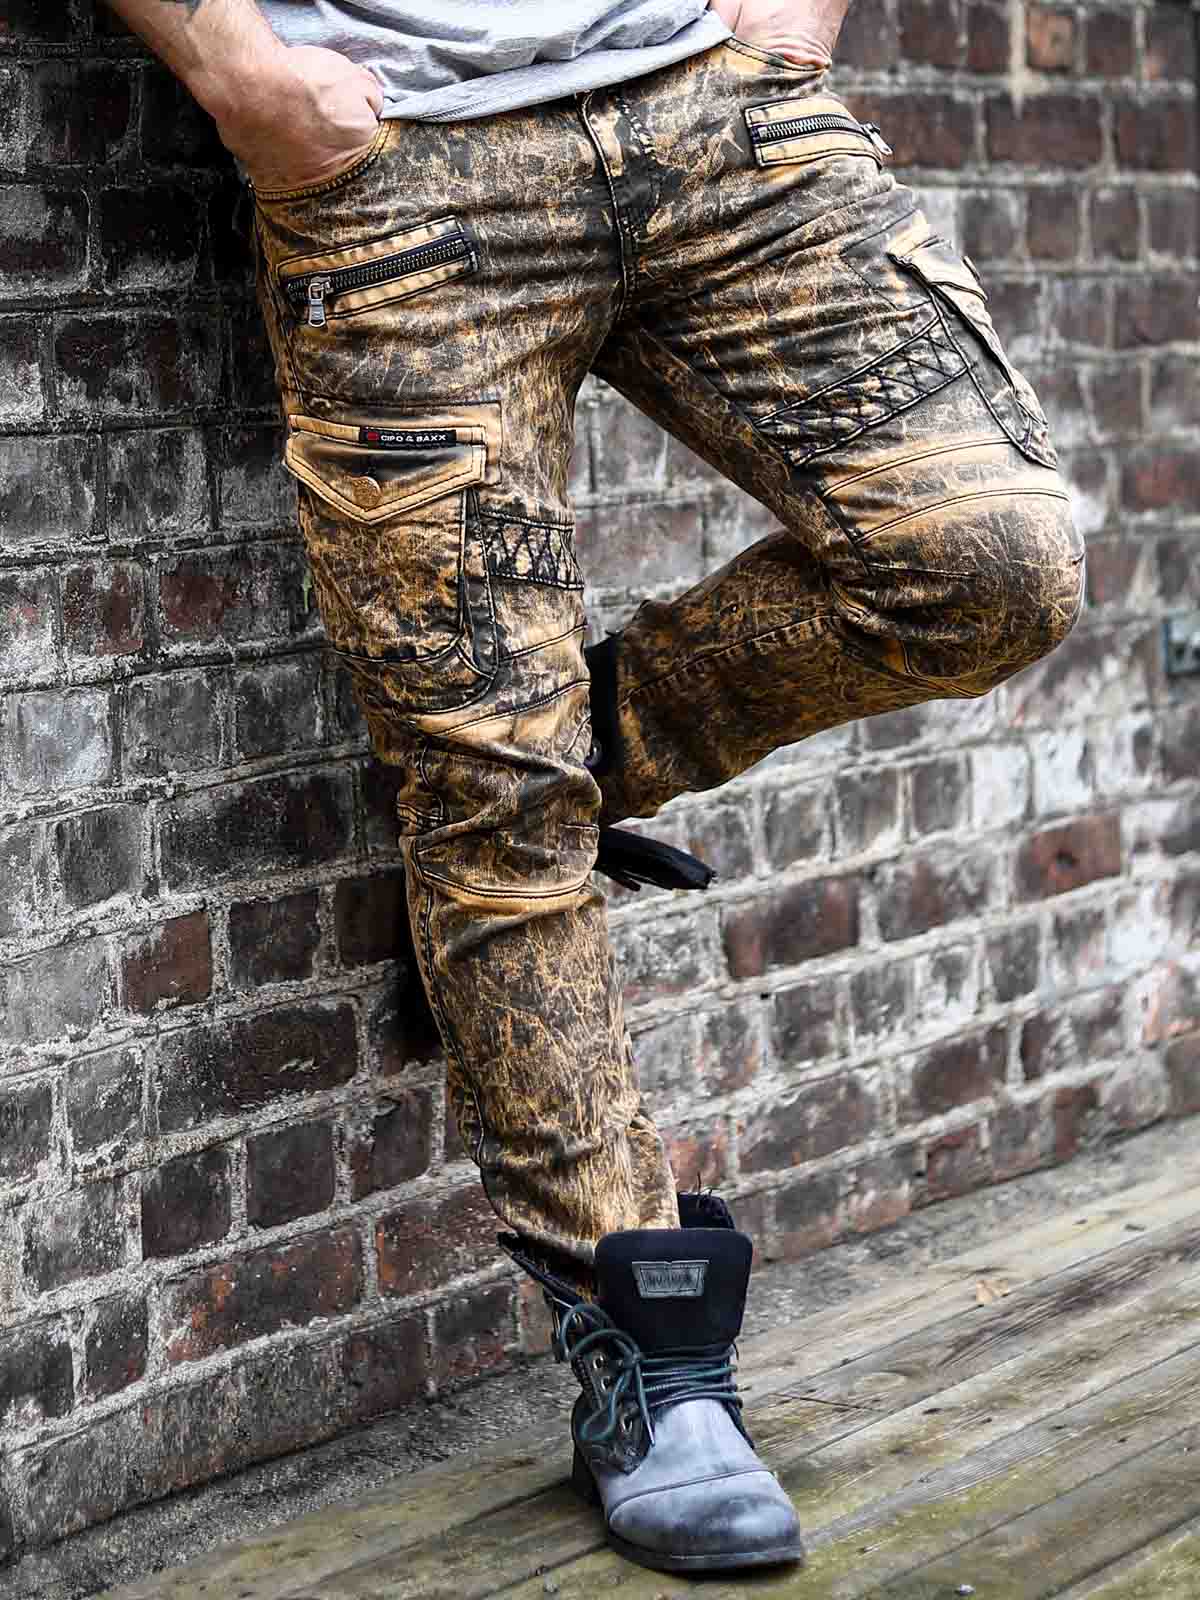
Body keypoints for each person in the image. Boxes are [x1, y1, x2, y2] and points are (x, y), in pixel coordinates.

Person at [103, 0, 1086, 1575]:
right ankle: (654, 1361)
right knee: (489, 794)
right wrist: (243, 74)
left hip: (723, 119)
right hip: (400, 169)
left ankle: (538, 771)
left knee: (990, 565)